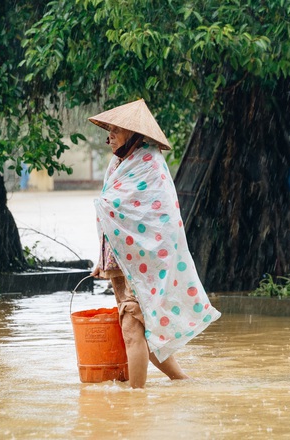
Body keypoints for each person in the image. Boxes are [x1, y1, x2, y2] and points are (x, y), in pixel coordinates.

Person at [89, 99, 221, 388]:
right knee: (142, 331)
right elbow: (114, 217)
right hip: (124, 262)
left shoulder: (149, 162)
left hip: (147, 262)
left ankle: (135, 404)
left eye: (114, 130)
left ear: (133, 134)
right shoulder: (118, 164)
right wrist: (102, 261)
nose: (108, 137)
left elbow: (158, 222)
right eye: (108, 130)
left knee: (132, 329)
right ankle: (184, 382)